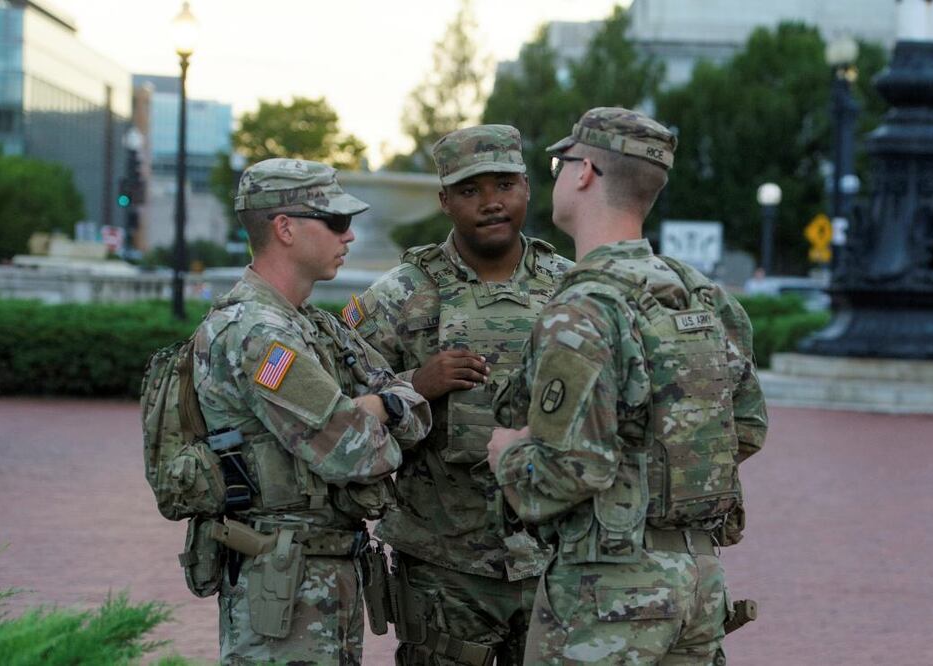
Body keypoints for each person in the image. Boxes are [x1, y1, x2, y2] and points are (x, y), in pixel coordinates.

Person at [486, 107, 768, 664]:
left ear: (584, 171)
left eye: (560, 164)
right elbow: (749, 429)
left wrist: (509, 456)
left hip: (608, 589)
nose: (558, 176)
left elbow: (573, 467)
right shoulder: (702, 297)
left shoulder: (584, 307)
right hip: (699, 580)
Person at [191, 158, 431, 665]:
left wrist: (379, 405)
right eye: (337, 222)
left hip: (322, 571)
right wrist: (379, 410)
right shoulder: (259, 336)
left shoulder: (313, 325)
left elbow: (412, 409)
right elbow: (352, 455)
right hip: (282, 583)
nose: (349, 236)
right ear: (285, 229)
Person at [349, 125, 572, 665]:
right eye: (470, 191)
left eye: (503, 185)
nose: (491, 203)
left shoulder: (573, 289)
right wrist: (414, 388)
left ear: (526, 186)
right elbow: (340, 424)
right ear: (444, 200)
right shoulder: (397, 298)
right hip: (442, 565)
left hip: (556, 557)